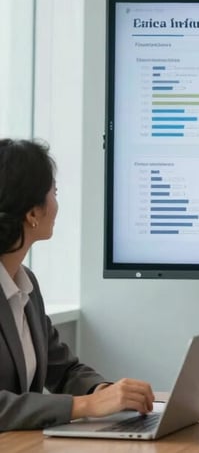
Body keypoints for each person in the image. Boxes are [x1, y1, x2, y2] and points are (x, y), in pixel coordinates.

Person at [0, 138, 155, 431]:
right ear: (32, 213)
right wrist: (84, 406)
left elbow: (64, 370)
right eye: (54, 193)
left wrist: (103, 392)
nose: (57, 203)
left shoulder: (24, 285)